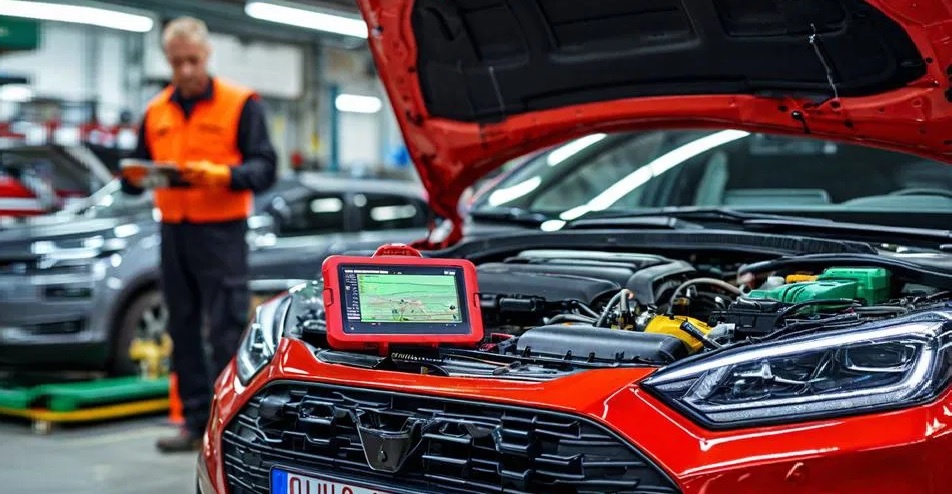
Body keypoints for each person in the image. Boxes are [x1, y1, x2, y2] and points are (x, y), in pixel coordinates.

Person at [120, 16, 277, 453]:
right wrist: (134, 177)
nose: (186, 70)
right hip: (174, 232)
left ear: (206, 55)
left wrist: (223, 175)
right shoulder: (156, 111)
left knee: (226, 329)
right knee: (183, 327)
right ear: (167, 61)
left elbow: (265, 168)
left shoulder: (240, 104)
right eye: (177, 62)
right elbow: (134, 171)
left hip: (222, 234)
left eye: (192, 60)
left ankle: (231, 426)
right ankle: (194, 424)